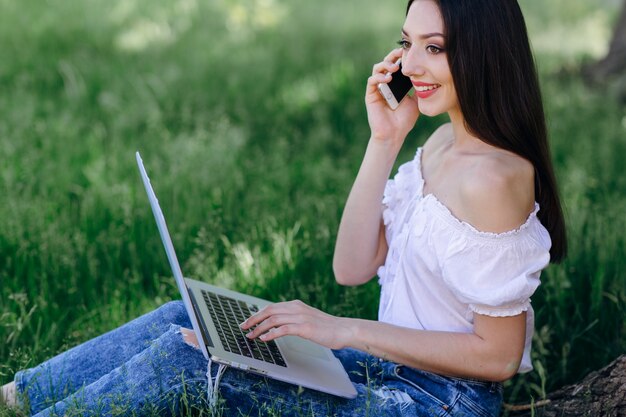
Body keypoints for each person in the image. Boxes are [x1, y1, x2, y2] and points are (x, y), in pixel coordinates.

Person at [1, 0, 567, 415]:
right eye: (407, 42)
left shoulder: (494, 177)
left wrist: (340, 332)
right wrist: (384, 140)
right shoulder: (440, 142)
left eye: (435, 48)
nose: (410, 64)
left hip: (437, 401)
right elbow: (351, 268)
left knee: (190, 363)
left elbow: (496, 358)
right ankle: (19, 397)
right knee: (188, 317)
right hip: (387, 368)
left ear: (486, 52)